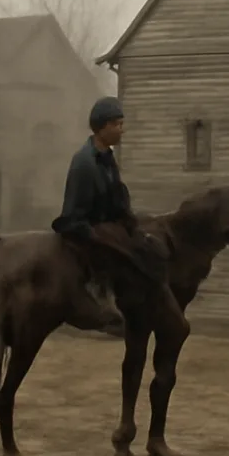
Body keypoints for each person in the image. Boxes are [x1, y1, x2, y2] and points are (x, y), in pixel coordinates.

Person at [52, 96, 167, 327]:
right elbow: (75, 212)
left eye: (121, 124)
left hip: (109, 224)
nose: (121, 130)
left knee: (152, 248)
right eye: (117, 124)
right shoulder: (84, 162)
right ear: (102, 127)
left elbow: (117, 199)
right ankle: (103, 302)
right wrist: (98, 233)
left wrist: (133, 225)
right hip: (84, 228)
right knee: (120, 254)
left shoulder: (107, 159)